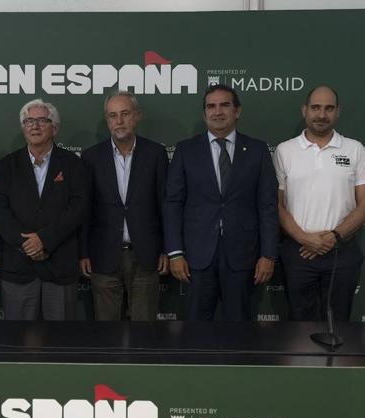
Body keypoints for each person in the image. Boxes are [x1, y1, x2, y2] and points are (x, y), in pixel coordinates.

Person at [164, 84, 278, 321]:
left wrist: (268, 254)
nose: (217, 111)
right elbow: (173, 203)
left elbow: (267, 206)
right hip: (197, 256)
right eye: (211, 106)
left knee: (240, 330)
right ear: (205, 113)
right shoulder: (186, 150)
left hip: (243, 255)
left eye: (224, 105)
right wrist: (175, 253)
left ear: (237, 111)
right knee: (196, 330)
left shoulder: (257, 150)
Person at [274, 85, 365, 321]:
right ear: (305, 110)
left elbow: (363, 204)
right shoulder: (285, 150)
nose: (321, 114)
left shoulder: (355, 150)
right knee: (299, 324)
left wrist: (333, 236)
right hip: (298, 251)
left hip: (341, 250)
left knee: (339, 324)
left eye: (328, 108)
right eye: (315, 107)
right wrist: (305, 238)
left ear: (337, 112)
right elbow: (277, 205)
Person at [0, 99, 88, 320]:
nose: (34, 126)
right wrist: (27, 245)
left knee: (61, 345)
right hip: (19, 267)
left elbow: (78, 209)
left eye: (42, 120)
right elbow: (0, 212)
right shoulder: (7, 165)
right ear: (23, 127)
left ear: (55, 127)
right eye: (29, 121)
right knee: (18, 344)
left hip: (59, 266)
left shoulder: (74, 164)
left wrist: (43, 240)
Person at [80, 91, 168, 321]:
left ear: (137, 116)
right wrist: (84, 252)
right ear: (107, 120)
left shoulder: (156, 153)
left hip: (146, 255)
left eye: (125, 114)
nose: (119, 121)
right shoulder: (91, 157)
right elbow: (85, 210)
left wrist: (166, 249)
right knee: (107, 332)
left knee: (144, 332)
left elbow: (165, 204)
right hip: (103, 255)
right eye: (112, 116)